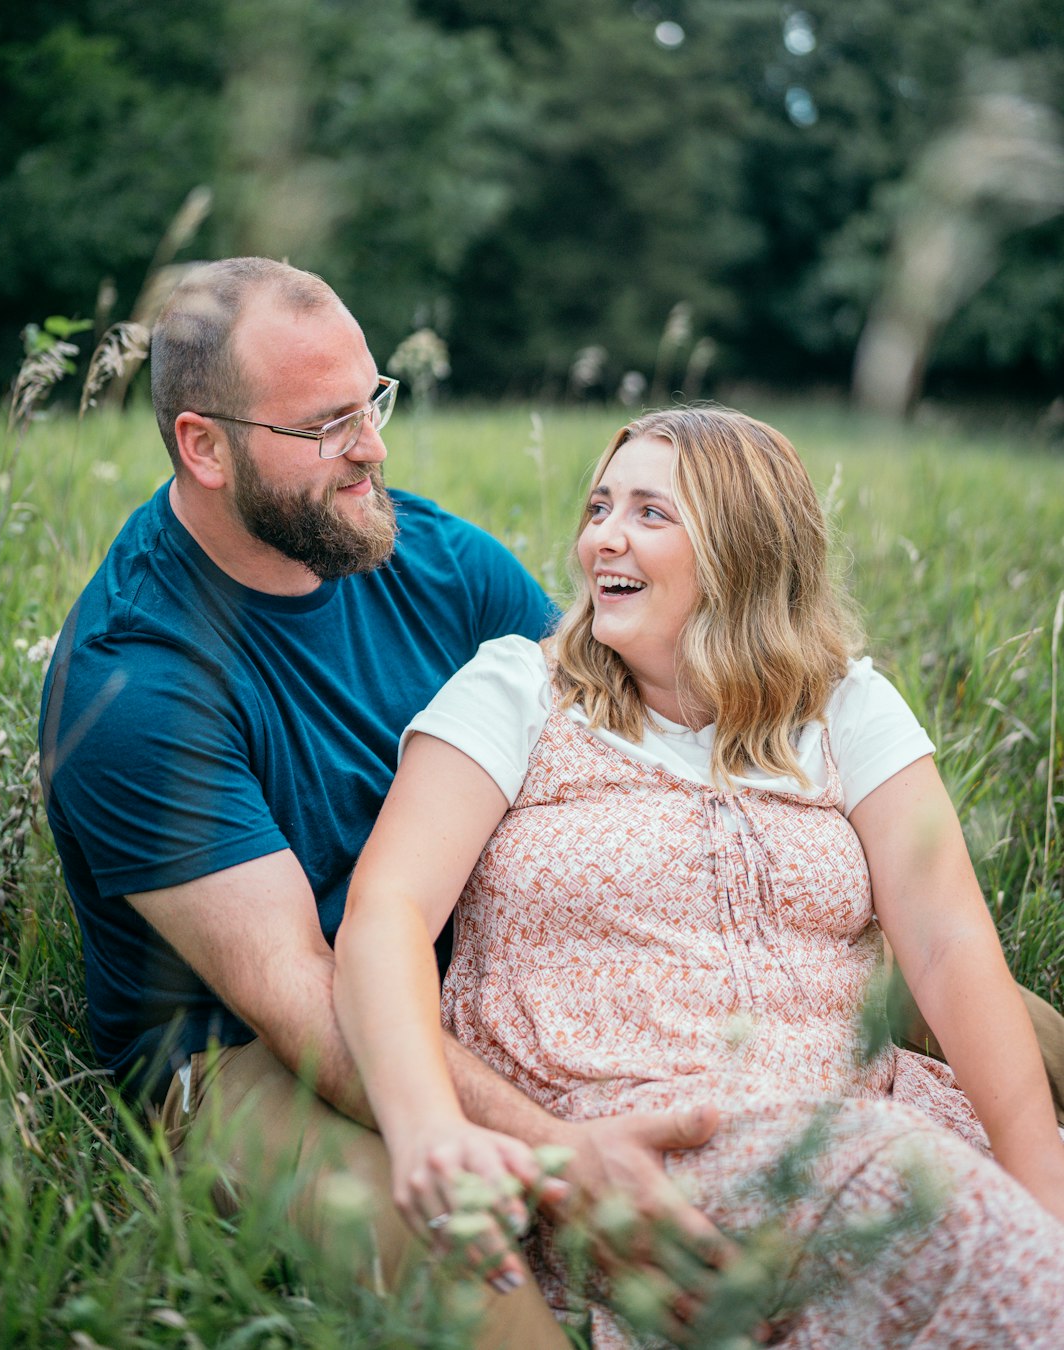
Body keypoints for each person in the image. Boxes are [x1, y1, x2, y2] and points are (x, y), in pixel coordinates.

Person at [39, 258, 742, 1349]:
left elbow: (623, 747)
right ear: (204, 446)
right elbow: (303, 999)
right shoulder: (138, 679)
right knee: (470, 1249)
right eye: (325, 425)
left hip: (458, 955)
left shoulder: (438, 563)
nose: (371, 445)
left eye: (373, 400)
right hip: (240, 1054)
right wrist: (559, 1153)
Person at [333, 406, 1064, 1347]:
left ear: (743, 550)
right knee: (933, 1212)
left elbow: (951, 942)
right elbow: (387, 912)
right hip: (636, 1152)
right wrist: (434, 1129)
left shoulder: (845, 706)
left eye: (649, 513)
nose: (604, 537)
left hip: (864, 1122)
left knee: (962, 1226)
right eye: (600, 506)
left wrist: (1038, 1174)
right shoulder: (517, 690)